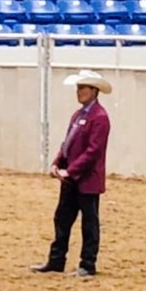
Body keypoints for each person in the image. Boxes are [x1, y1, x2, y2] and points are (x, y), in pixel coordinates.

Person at [31, 70, 112, 277]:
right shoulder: (79, 115)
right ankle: (56, 260)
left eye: (82, 88)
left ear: (94, 91)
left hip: (86, 179)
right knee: (62, 218)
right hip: (72, 178)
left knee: (89, 222)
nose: (79, 92)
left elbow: (93, 151)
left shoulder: (100, 118)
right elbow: (68, 143)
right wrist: (58, 163)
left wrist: (71, 170)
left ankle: (87, 264)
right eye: (78, 88)